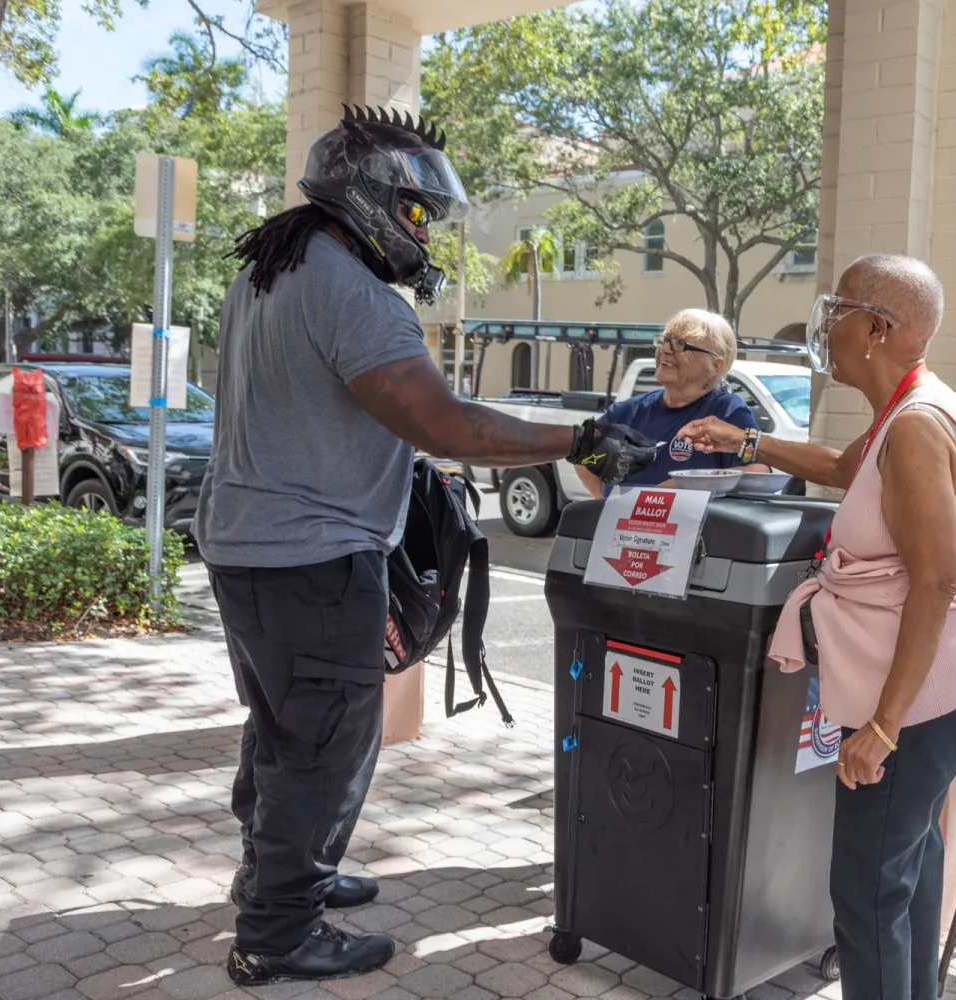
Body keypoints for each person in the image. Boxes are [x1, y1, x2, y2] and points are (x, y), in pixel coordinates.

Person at [196, 106, 656, 988]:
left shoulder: (274, 270)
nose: (423, 232)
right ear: (370, 201)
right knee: (325, 743)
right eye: (416, 214)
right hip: (314, 556)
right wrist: (578, 440)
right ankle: (277, 931)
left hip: (246, 544)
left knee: (283, 729)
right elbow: (447, 424)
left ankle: (284, 876)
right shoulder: (352, 293)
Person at [679, 254, 956, 1000]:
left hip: (915, 702)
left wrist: (883, 727)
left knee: (867, 892)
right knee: (905, 870)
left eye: (839, 309)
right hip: (933, 688)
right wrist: (747, 442)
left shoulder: (918, 427)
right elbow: (841, 465)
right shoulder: (906, 408)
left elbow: (937, 580)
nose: (827, 324)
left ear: (877, 327)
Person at [575, 307, 770, 497]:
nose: (666, 349)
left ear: (714, 367)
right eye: (664, 341)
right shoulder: (627, 411)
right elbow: (582, 452)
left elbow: (759, 471)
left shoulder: (727, 411)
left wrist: (686, 485)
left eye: (681, 345)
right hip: (625, 529)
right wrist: (606, 503)